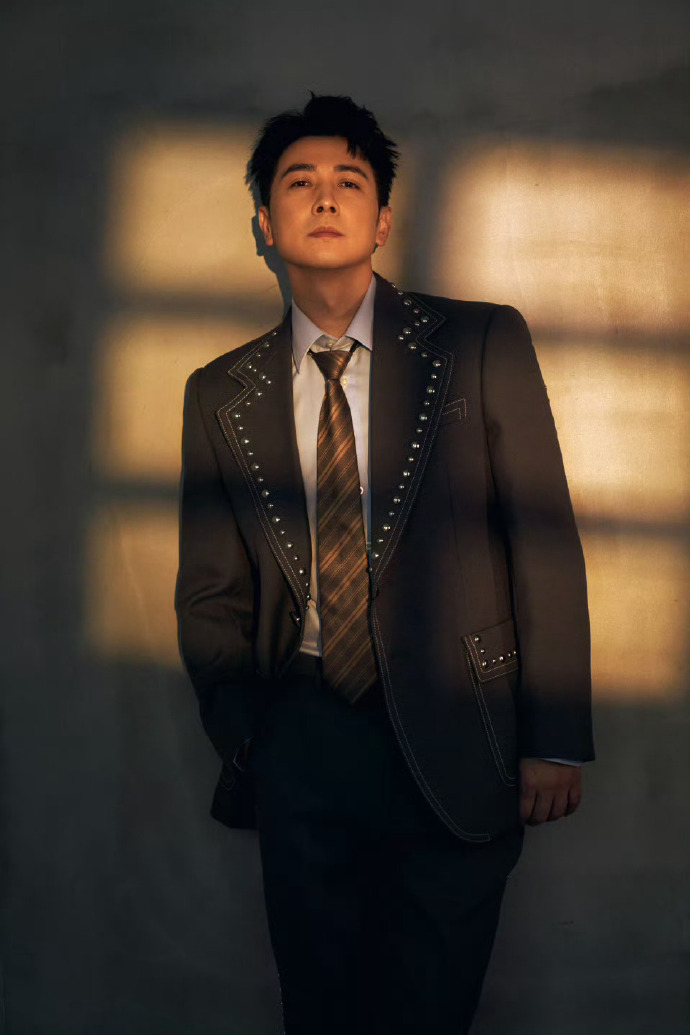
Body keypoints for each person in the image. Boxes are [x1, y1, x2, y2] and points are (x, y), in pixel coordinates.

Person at [175, 93, 594, 1035]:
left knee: (430, 1008)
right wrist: (252, 740)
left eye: (349, 181)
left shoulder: (478, 342)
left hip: (463, 728)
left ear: (383, 221)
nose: (325, 198)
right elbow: (209, 590)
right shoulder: (220, 393)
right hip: (303, 736)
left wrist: (555, 736)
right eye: (299, 182)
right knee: (320, 1009)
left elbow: (541, 536)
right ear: (265, 224)